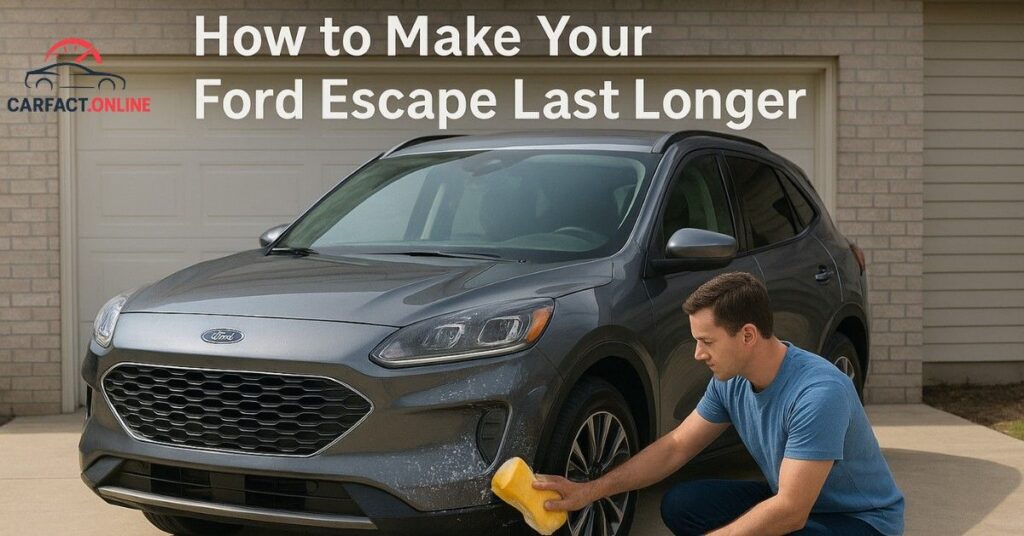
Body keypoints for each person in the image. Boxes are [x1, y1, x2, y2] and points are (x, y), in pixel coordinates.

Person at [533, 272, 904, 535]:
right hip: (799, 505)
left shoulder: (819, 393)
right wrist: (588, 491)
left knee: (778, 525)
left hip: (859, 521)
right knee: (681, 505)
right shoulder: (731, 381)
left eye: (707, 341)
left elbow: (791, 511)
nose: (697, 354)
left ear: (746, 336)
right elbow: (675, 448)